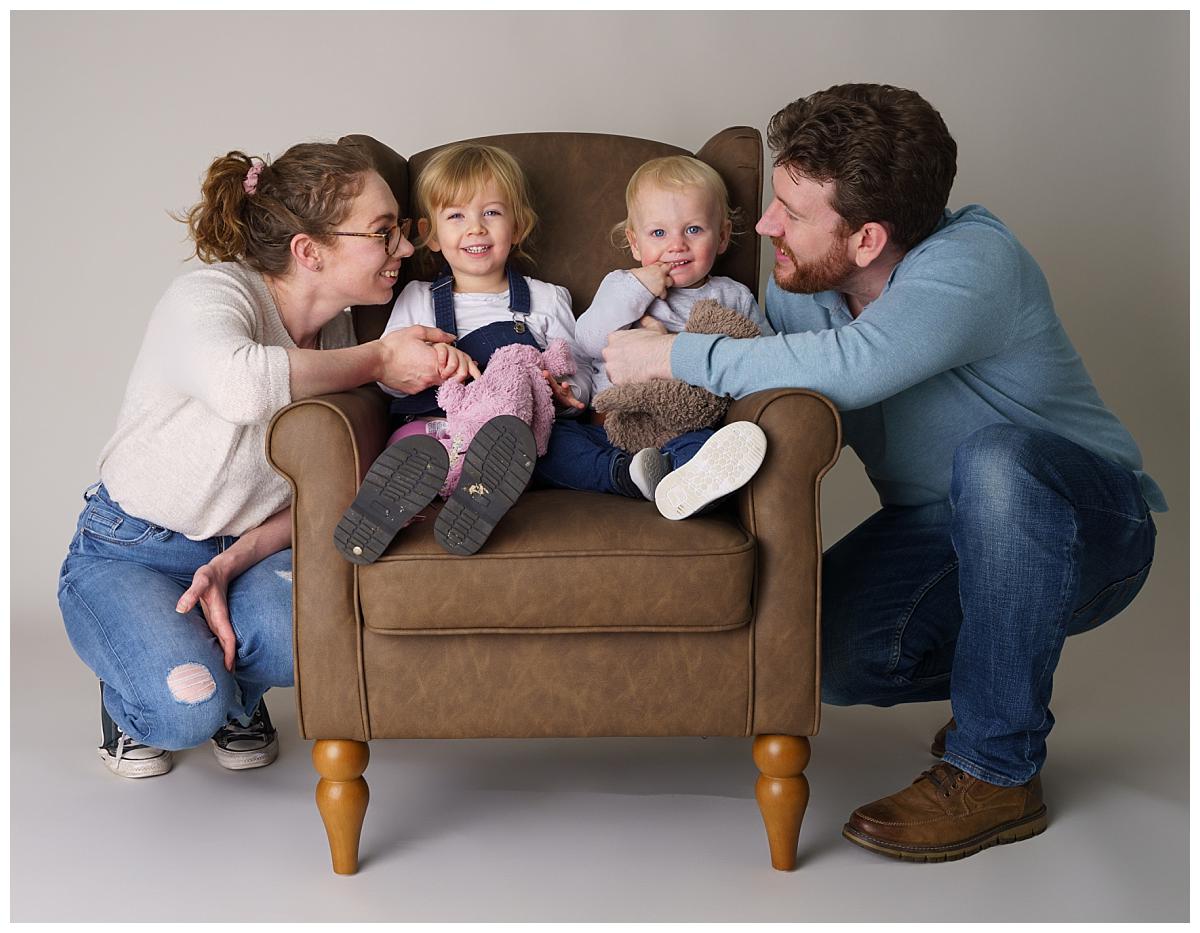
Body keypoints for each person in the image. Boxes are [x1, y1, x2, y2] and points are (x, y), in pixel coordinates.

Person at [601, 84, 1164, 860]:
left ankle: (996, 766)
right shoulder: (803, 293)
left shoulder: (975, 260)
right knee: (819, 651)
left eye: (791, 214)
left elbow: (856, 367)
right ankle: (995, 696)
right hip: (938, 529)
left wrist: (670, 351)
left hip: (1088, 522)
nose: (765, 227)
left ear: (867, 240)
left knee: (996, 458)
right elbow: (775, 384)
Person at [57, 141, 477, 778]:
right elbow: (243, 385)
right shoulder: (211, 295)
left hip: (251, 550)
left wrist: (233, 559)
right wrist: (382, 360)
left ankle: (235, 691)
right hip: (135, 546)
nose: (406, 249)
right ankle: (137, 698)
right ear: (309, 251)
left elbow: (326, 493)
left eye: (402, 230)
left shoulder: (337, 331)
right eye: (384, 233)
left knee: (315, 636)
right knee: (185, 712)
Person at [332, 143, 592, 562]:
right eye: (456, 215)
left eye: (491, 212)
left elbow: (580, 369)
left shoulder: (547, 299)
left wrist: (564, 388)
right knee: (413, 447)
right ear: (431, 235)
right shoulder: (416, 298)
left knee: (554, 449)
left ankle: (480, 491)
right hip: (438, 425)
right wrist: (437, 366)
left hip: (516, 437)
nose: (475, 228)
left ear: (519, 226)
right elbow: (389, 380)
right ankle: (391, 507)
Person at [534, 155, 771, 519]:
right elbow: (588, 340)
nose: (676, 245)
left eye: (693, 230)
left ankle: (681, 479)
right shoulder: (621, 285)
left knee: (712, 448)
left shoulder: (732, 296)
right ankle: (624, 476)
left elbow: (760, 360)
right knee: (550, 446)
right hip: (612, 428)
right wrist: (637, 288)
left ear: (722, 236)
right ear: (634, 242)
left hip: (685, 427)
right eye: (658, 233)